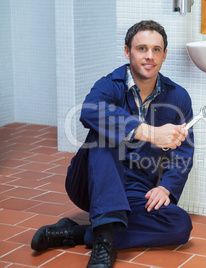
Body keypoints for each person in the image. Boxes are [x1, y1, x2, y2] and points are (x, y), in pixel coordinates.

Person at [31, 20, 194, 268]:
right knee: (103, 132)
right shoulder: (109, 85)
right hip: (91, 181)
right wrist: (148, 132)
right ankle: (105, 246)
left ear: (164, 55)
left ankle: (77, 233)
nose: (149, 56)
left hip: (136, 188)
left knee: (180, 225)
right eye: (142, 49)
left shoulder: (178, 96)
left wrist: (166, 188)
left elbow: (183, 152)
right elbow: (89, 111)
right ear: (127, 52)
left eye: (156, 50)